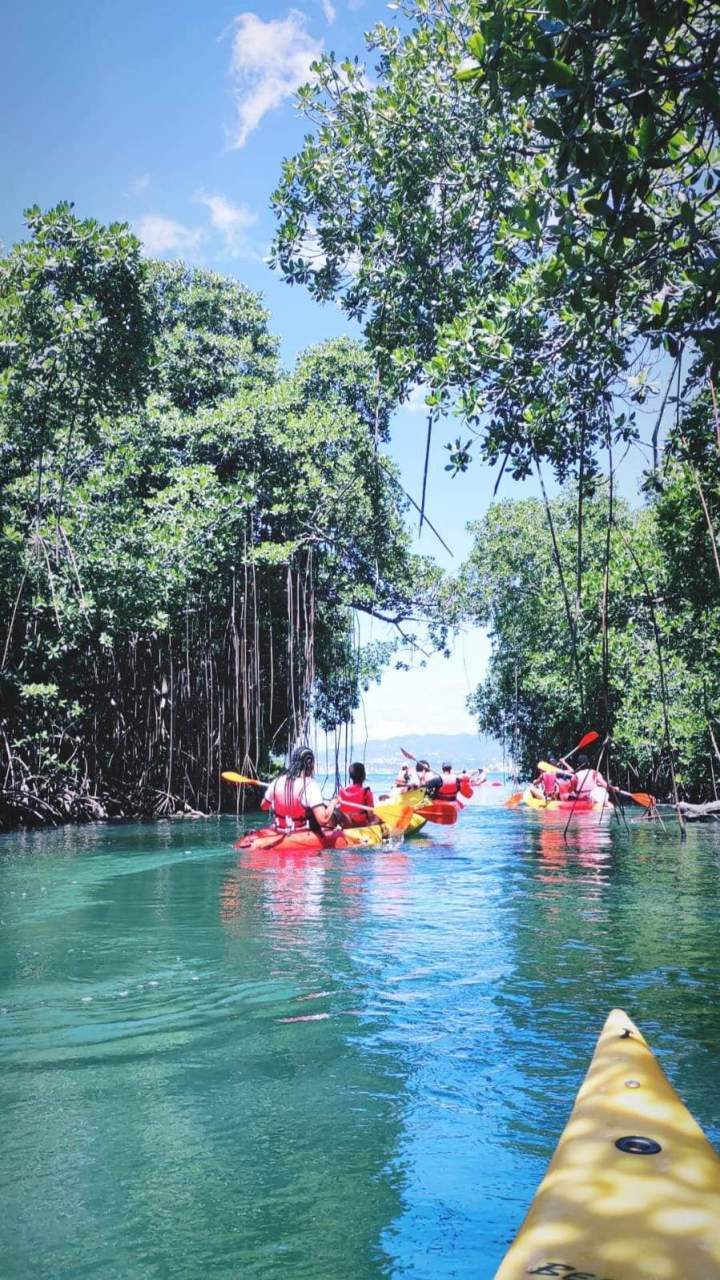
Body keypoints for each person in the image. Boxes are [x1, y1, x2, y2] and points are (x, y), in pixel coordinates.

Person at [262, 746, 336, 834]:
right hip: (299, 833)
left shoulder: (276, 781)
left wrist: (281, 802)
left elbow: (264, 806)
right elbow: (323, 820)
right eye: (313, 763)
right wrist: (334, 802)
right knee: (333, 814)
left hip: (279, 830)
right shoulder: (310, 785)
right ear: (309, 763)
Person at [337, 762, 379, 827]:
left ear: (351, 776)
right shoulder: (366, 792)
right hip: (361, 825)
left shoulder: (342, 791)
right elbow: (371, 816)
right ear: (364, 776)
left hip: (346, 825)